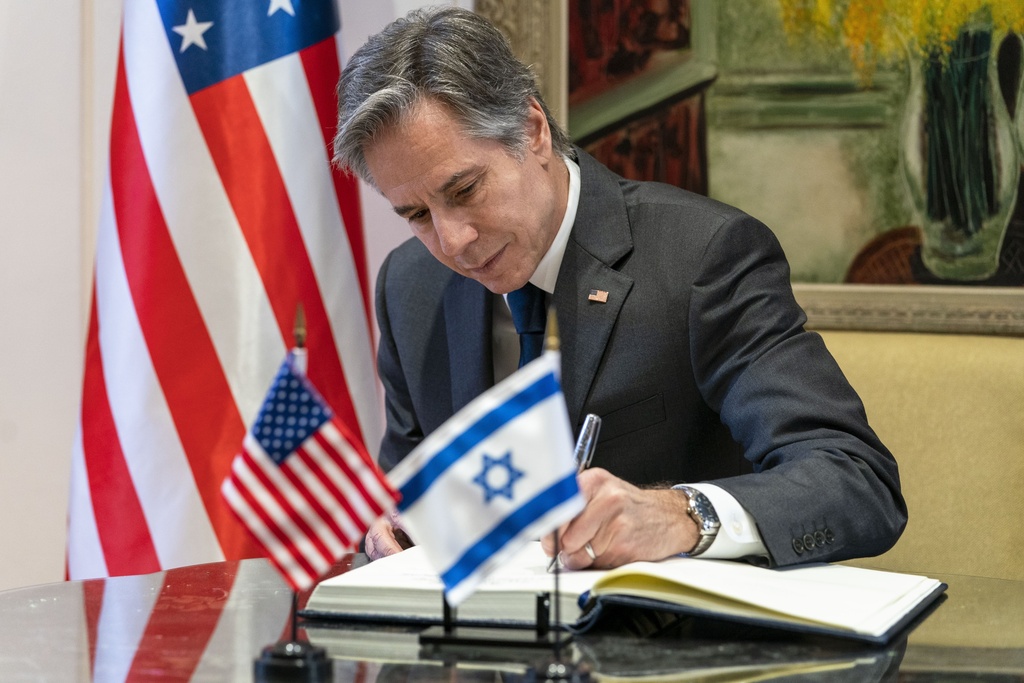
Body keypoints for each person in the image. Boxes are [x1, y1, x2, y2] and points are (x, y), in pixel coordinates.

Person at [333, 6, 906, 570]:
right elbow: (407, 498)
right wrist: (397, 527)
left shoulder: (703, 255)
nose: (453, 241)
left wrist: (683, 515)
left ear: (531, 131)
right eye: (416, 214)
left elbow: (854, 478)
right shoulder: (409, 287)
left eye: (464, 190)